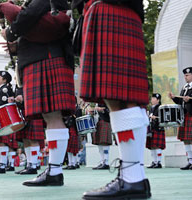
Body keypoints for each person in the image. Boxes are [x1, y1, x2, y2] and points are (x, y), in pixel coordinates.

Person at [77, 0, 151, 199]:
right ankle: (133, 176)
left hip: (112, 8)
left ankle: (132, 178)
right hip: (108, 9)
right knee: (117, 98)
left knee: (122, 97)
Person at [2, 0, 75, 186]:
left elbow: (28, 16)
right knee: (51, 116)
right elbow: (38, 27)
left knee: (52, 116)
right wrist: (18, 47)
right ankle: (55, 169)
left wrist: (10, 33)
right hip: (47, 57)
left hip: (47, 59)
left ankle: (55, 171)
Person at [10, 86, 45, 175]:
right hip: (23, 112)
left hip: (33, 110)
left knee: (33, 139)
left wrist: (24, 99)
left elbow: (38, 94)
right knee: (25, 139)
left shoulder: (30, 78)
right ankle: (29, 164)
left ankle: (33, 165)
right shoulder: (18, 84)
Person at [169, 67, 192, 170]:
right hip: (184, 115)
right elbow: (180, 101)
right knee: (185, 139)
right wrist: (174, 98)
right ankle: (190, 161)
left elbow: (188, 101)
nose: (185, 77)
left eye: (187, 75)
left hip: (191, 115)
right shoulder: (184, 88)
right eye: (185, 75)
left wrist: (190, 100)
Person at [88, 104, 112, 170]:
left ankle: (106, 163)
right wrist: (92, 112)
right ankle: (102, 162)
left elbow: (110, 111)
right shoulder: (96, 103)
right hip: (97, 122)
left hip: (105, 121)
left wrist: (102, 110)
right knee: (99, 143)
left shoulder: (105, 101)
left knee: (104, 142)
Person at [146, 93, 165, 169]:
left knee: (157, 146)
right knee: (152, 146)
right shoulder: (151, 108)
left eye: (154, 98)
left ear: (158, 100)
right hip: (151, 128)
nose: (152, 100)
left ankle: (159, 162)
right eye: (152, 98)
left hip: (158, 128)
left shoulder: (160, 108)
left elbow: (163, 118)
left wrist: (156, 118)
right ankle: (154, 162)